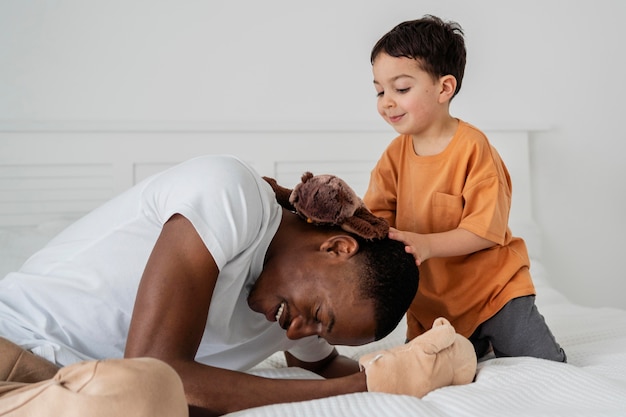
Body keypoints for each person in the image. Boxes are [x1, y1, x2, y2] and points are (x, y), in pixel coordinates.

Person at [0, 154, 419, 416]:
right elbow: (153, 371)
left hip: (70, 392)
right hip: (14, 350)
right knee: (148, 394)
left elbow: (324, 365)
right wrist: (353, 389)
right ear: (337, 247)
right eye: (319, 317)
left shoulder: (286, 315)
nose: (296, 333)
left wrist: (404, 373)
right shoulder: (232, 193)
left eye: (318, 332)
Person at [363, 15, 566, 362]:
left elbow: (485, 231)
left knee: (543, 364)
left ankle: (497, 337)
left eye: (401, 89)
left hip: (494, 293)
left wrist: (425, 243)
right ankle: (474, 344)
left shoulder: (473, 148)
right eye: (380, 90)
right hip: (432, 305)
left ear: (444, 88)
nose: (386, 101)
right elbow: (375, 218)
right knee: (429, 371)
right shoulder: (394, 156)